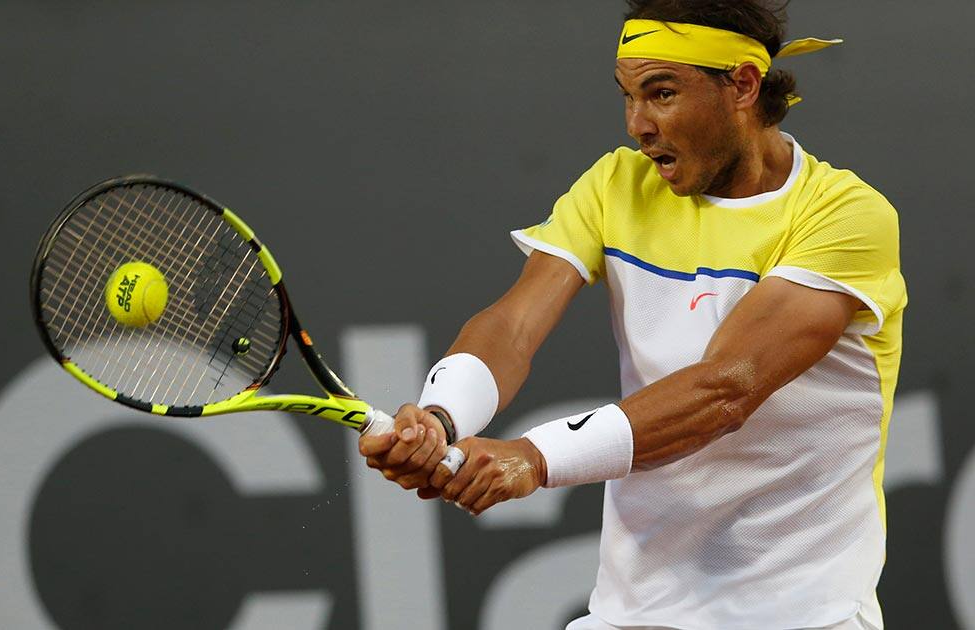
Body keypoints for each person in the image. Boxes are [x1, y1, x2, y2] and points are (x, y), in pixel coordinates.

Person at [359, 1, 906, 628]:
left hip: (806, 615)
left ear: (743, 86)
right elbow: (513, 325)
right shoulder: (618, 186)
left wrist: (534, 459)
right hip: (634, 613)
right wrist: (442, 416)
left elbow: (724, 389)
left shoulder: (845, 215)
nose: (637, 126)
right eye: (628, 97)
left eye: (662, 93)